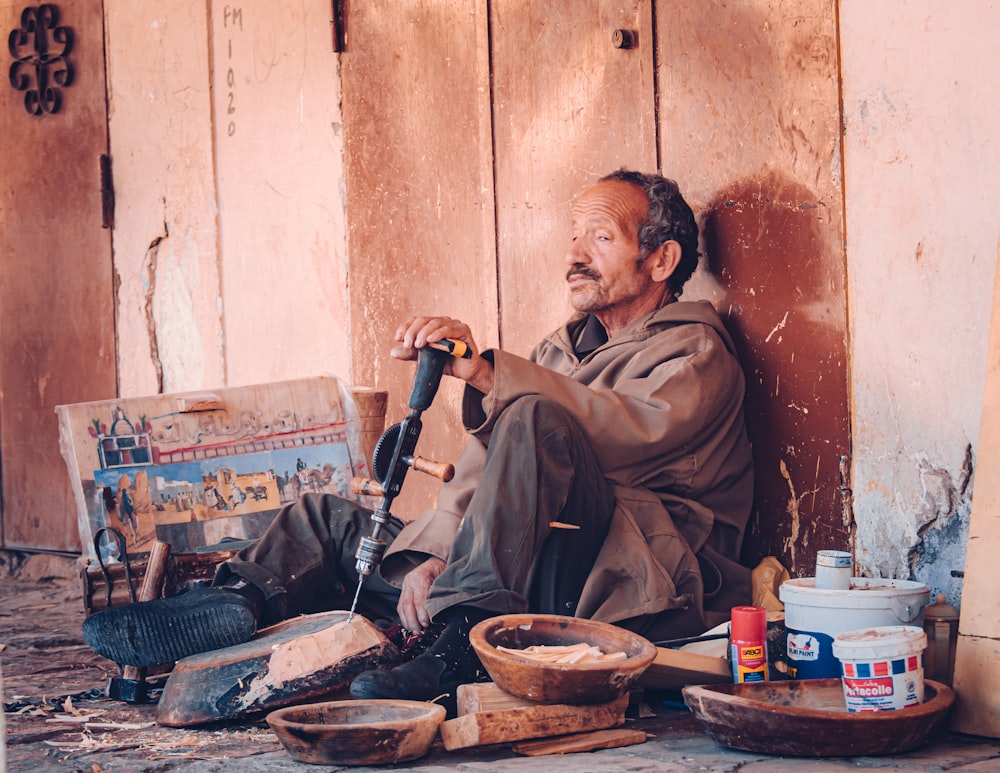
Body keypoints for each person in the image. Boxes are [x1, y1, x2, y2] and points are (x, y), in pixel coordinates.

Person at [83, 169, 754, 707]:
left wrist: (490, 373)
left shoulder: (696, 353)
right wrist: (435, 556)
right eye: (573, 235)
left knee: (532, 418)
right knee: (325, 521)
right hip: (512, 570)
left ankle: (462, 640)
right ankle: (233, 602)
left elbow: (614, 432)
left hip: (622, 581)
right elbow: (485, 470)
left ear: (661, 258)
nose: (574, 255)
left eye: (600, 238)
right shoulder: (561, 353)